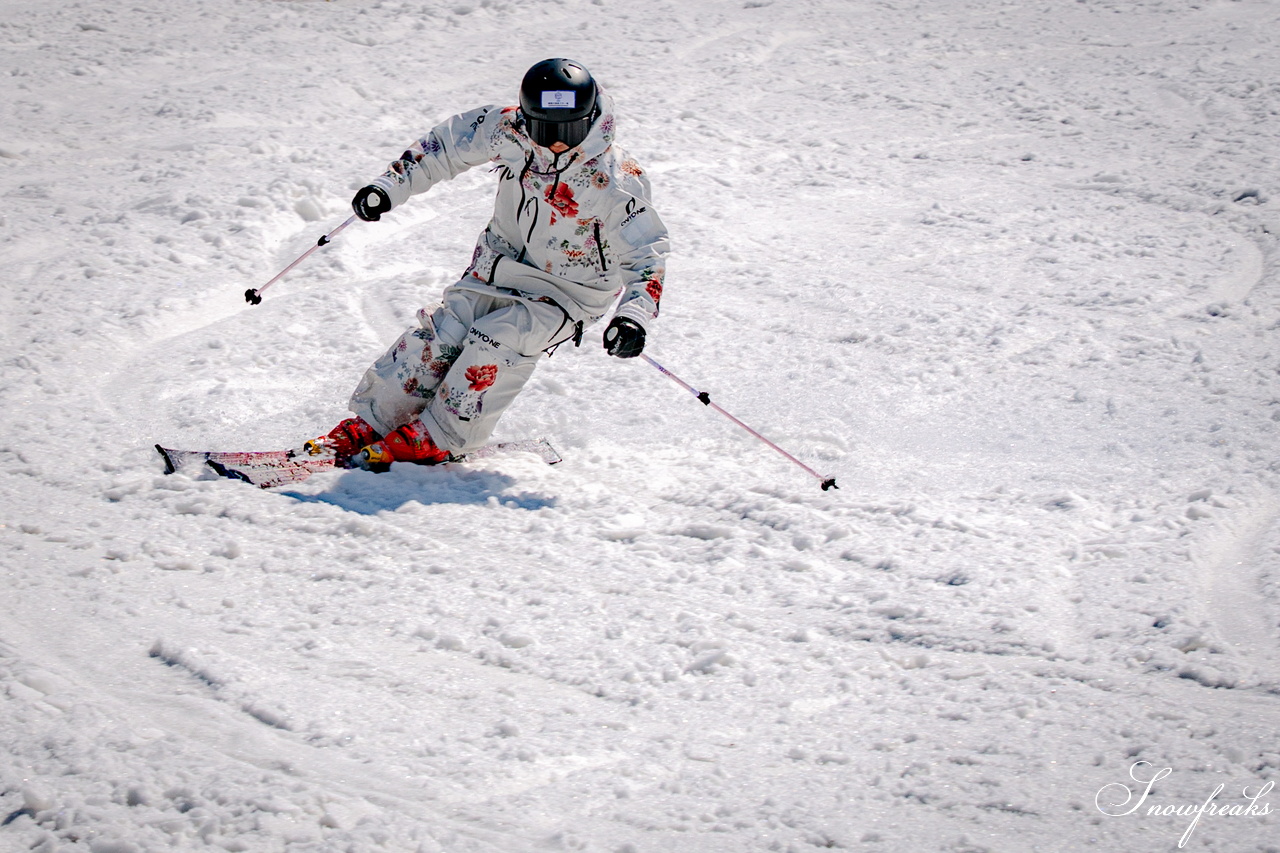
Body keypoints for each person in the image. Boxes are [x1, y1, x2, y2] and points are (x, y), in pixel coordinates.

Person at [306, 58, 669, 469]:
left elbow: (646, 254)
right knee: (445, 331)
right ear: (527, 118)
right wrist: (388, 186)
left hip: (569, 292)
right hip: (498, 266)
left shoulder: (614, 178)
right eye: (545, 130)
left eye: (568, 131)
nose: (556, 144)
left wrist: (634, 316)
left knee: (499, 337)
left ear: (590, 119)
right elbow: (444, 147)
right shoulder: (508, 130)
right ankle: (375, 422)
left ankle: (440, 436)